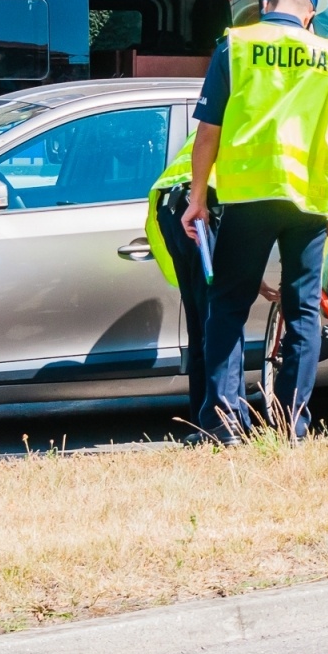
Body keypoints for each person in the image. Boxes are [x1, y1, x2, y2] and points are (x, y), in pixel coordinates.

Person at [180, 0, 328, 442]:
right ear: (309, 17)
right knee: (303, 310)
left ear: (267, 5)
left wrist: (198, 197)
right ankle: (291, 424)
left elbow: (208, 132)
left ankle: (223, 424)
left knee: (228, 307)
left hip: (249, 196)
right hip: (309, 202)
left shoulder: (237, 46)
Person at [144, 136, 216, 439]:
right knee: (218, 324)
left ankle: (204, 422)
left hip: (174, 207)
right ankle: (218, 424)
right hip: (203, 208)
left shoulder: (232, 96)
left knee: (202, 328)